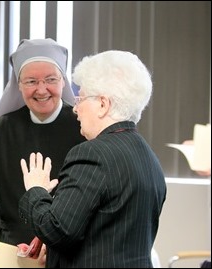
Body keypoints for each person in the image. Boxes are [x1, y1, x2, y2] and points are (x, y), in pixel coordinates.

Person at [19, 50, 167, 267]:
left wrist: (36, 190)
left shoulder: (91, 154)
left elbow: (58, 231)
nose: (75, 109)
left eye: (81, 98)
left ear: (103, 104)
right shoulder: (148, 156)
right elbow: (107, 237)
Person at [0, 38, 86, 268]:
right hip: (12, 255)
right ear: (19, 85)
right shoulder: (2, 130)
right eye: (31, 81)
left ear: (63, 82)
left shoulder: (83, 128)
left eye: (51, 80)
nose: (41, 89)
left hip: (71, 255)